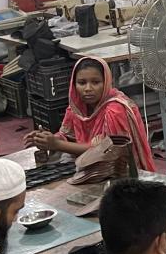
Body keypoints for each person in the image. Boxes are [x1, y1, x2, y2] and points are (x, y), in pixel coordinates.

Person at [25, 56, 156, 172]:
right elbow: (66, 135)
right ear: (73, 84)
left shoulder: (115, 110)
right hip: (88, 165)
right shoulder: (76, 108)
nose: (88, 89)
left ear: (106, 83)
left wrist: (57, 144)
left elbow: (109, 152)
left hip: (118, 170)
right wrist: (46, 139)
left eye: (96, 82)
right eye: (82, 83)